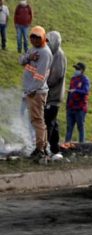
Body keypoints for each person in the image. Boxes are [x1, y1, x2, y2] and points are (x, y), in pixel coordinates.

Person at [19, 26, 53, 161]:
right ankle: (42, 147)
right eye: (32, 37)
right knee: (38, 120)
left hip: (36, 92)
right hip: (31, 90)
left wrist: (32, 91)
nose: (34, 39)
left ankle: (40, 149)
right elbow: (21, 61)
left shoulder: (45, 53)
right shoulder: (33, 49)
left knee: (37, 121)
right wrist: (29, 57)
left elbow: (41, 77)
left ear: (43, 38)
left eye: (37, 37)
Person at [45, 31, 67, 157]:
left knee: (48, 122)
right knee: (53, 121)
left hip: (54, 95)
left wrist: (43, 84)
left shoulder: (59, 55)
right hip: (50, 95)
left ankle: (46, 148)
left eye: (48, 41)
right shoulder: (52, 54)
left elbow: (55, 76)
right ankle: (55, 148)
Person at [64, 62, 90, 145]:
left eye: (77, 69)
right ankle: (67, 143)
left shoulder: (85, 80)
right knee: (69, 127)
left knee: (80, 127)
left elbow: (85, 91)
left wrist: (76, 90)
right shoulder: (73, 79)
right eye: (75, 69)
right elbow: (69, 92)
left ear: (82, 70)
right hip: (70, 107)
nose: (76, 70)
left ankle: (82, 145)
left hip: (80, 108)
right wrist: (67, 105)